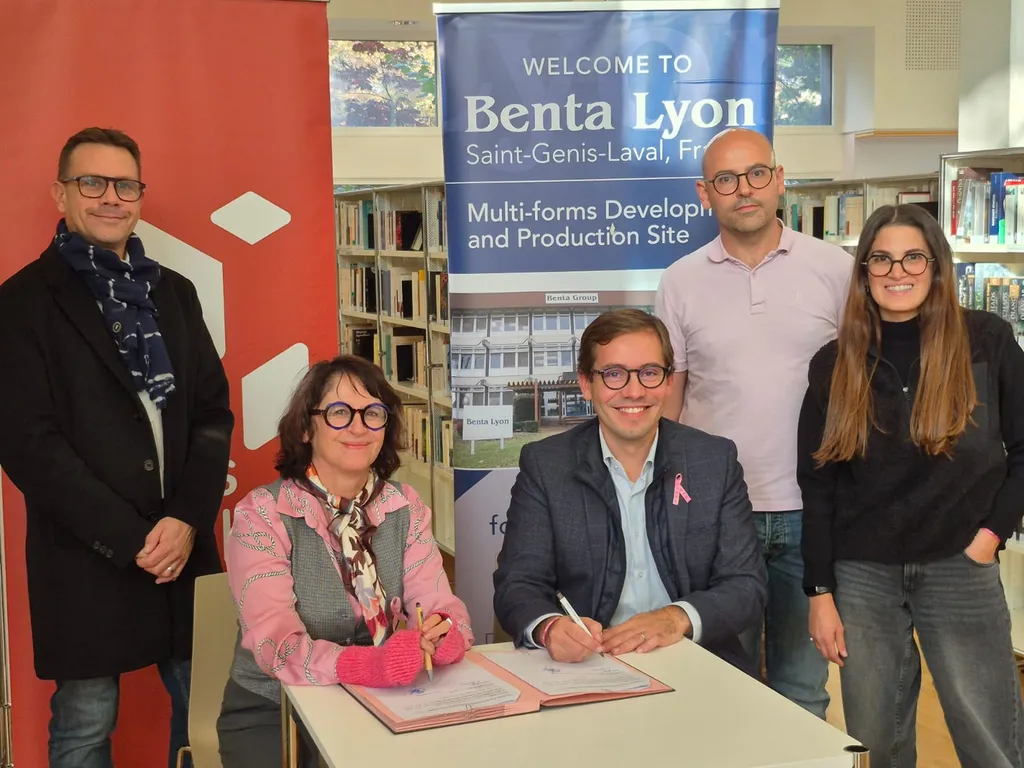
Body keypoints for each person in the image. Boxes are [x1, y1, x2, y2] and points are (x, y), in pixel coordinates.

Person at [0, 127, 233, 768]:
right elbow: (28, 444)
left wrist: (186, 520)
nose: (111, 197)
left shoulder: (174, 294)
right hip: (86, 551)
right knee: (84, 721)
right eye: (92, 183)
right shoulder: (21, 304)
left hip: (182, 544)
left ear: (139, 194)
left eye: (125, 184)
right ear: (61, 193)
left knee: (206, 711)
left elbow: (213, 416)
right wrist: (133, 538)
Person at [798, 203, 1024, 766]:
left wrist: (990, 537)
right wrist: (820, 591)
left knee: (987, 735)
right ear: (865, 271)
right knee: (878, 738)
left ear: (937, 266)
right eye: (881, 259)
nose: (898, 272)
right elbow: (818, 481)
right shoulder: (834, 362)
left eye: (913, 258)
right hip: (863, 575)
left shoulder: (986, 341)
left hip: (960, 564)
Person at [654, 127, 852, 717]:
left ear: (780, 179)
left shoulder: (835, 269)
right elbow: (671, 396)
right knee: (721, 688)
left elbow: (860, 390)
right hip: (714, 514)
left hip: (809, 510)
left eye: (757, 174)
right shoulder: (679, 281)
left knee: (800, 687)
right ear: (703, 193)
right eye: (726, 179)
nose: (744, 190)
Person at [218, 355, 472, 768]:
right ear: (306, 427)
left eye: (373, 413)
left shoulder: (403, 505)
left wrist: (445, 636)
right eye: (339, 412)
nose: (358, 427)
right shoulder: (262, 514)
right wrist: (370, 664)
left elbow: (438, 602)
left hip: (385, 699)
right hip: (275, 712)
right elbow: (277, 647)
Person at [492, 309, 766, 673]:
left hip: (695, 661)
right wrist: (550, 627)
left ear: (669, 382)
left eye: (650, 373)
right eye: (614, 374)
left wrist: (676, 618)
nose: (634, 391)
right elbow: (518, 583)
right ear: (587, 384)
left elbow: (747, 586)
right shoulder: (546, 465)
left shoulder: (714, 460)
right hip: (589, 665)